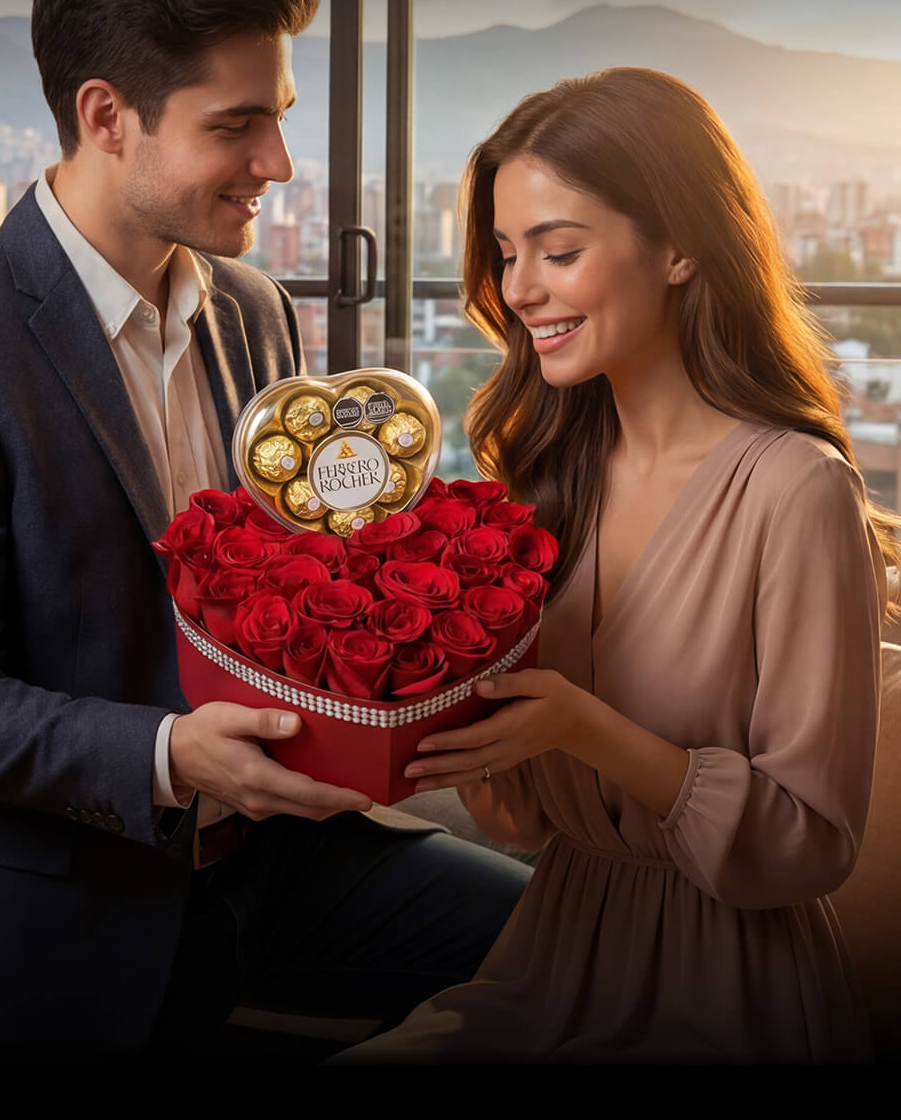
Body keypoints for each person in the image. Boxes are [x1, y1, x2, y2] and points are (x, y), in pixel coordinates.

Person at [0, 0, 531, 1058]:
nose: (277, 163)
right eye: (239, 125)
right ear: (107, 116)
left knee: (572, 951)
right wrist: (170, 759)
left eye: (281, 119)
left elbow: (305, 566)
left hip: (277, 861)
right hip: (59, 899)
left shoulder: (255, 310)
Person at [335, 66, 894, 1065]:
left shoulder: (796, 491)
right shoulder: (549, 480)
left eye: (559, 251)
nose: (519, 291)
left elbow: (810, 843)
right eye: (507, 255)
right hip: (547, 956)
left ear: (677, 246)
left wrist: (580, 725)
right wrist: (447, 718)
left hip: (727, 987)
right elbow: (530, 824)